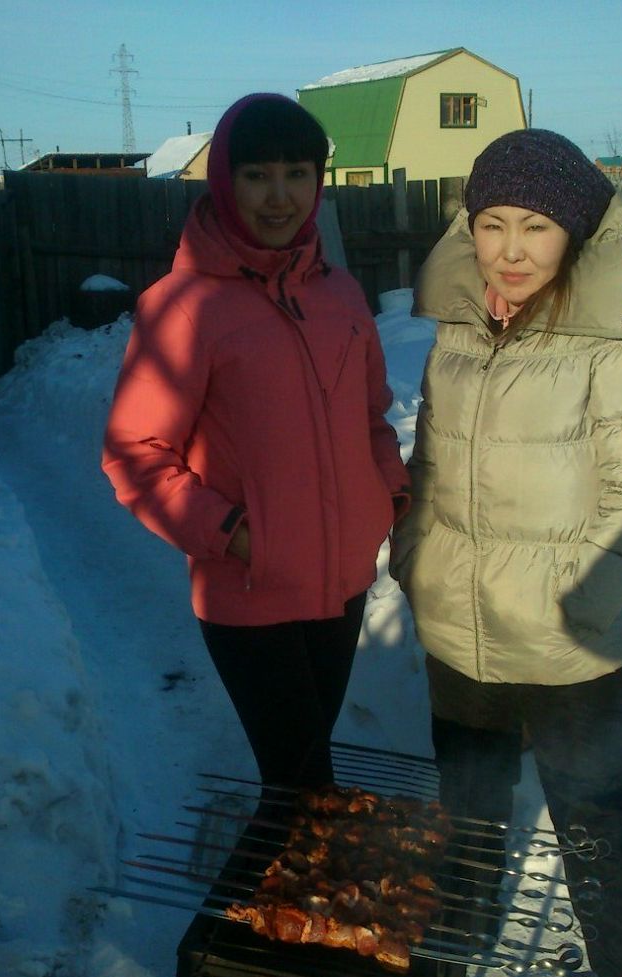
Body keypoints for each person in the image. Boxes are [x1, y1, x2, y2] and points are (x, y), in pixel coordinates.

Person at [390, 129, 622, 977]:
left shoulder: (619, 339)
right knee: (467, 816)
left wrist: (578, 611)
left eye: (537, 226)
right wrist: (414, 555)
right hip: (459, 638)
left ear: (579, 232)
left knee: (600, 837)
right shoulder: (460, 330)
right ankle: (457, 949)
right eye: (492, 223)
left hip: (571, 651)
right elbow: (429, 464)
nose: (510, 248)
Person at [102, 94, 409, 802]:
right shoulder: (183, 306)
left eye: (297, 174)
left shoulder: (340, 295)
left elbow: (370, 417)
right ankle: (274, 907)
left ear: (318, 182)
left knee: (301, 776)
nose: (279, 196)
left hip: (342, 585)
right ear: (224, 182)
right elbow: (135, 453)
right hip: (250, 590)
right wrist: (233, 533)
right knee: (302, 782)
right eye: (257, 175)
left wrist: (390, 494)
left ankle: (290, 902)